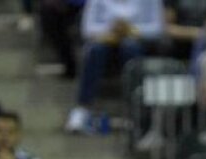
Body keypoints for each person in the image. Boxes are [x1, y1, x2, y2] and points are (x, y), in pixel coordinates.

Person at [64, 0, 166, 134]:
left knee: (130, 47)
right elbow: (87, 29)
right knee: (95, 50)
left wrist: (130, 30)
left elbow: (157, 28)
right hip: (106, 40)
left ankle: (136, 110)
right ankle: (83, 108)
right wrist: (112, 32)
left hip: (138, 41)